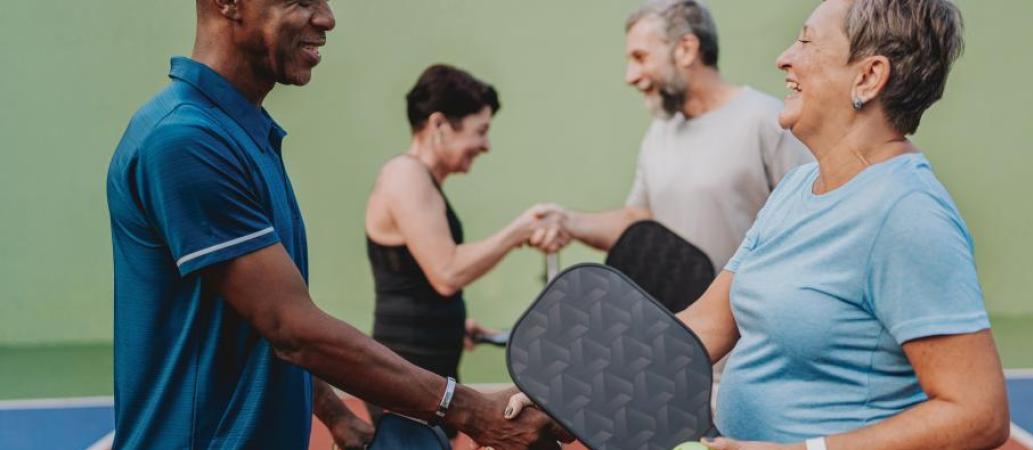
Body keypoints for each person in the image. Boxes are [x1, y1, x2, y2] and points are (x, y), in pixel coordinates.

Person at [508, 1, 1010, 449]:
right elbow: (702, 327)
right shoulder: (796, 189)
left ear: (868, 77)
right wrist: (569, 390)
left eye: (807, 40)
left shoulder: (909, 213)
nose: (784, 57)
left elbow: (979, 415)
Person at [105, 1, 567, 448]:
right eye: (301, 0)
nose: (326, 17)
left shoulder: (244, 134)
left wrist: (338, 417)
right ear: (228, 3)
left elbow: (259, 321)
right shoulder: (185, 140)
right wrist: (475, 412)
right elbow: (290, 328)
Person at [364, 64, 567, 432]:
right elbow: (447, 273)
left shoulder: (421, 182)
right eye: (481, 131)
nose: (486, 145)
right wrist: (521, 230)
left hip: (428, 379)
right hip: (407, 386)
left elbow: (417, 280)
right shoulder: (405, 175)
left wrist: (453, 322)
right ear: (440, 125)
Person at [552, 0, 811, 271]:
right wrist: (568, 222)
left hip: (749, 313)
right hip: (677, 315)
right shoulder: (658, 133)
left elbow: (810, 221)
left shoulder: (766, 120)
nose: (631, 76)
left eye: (640, 57)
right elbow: (640, 221)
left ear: (686, 50)